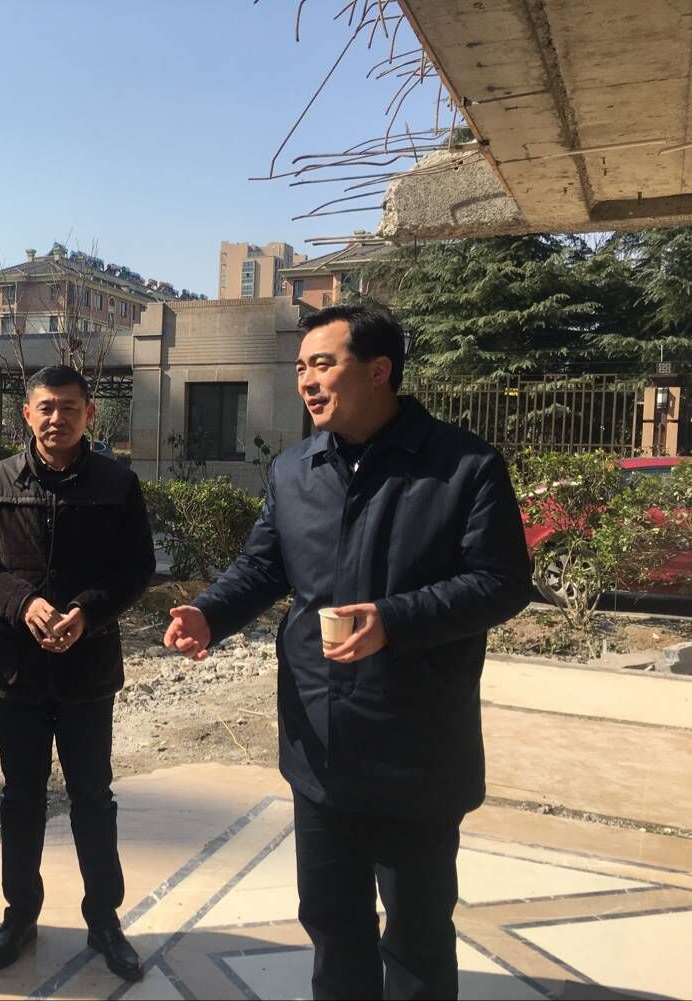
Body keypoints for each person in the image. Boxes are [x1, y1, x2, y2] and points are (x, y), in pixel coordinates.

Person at [164, 304, 533, 1000]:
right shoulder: (294, 470)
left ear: (378, 370)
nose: (306, 380)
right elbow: (263, 567)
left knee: (417, 939)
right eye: (300, 367)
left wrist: (394, 619)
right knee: (332, 926)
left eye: (322, 364)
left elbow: (502, 582)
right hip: (320, 747)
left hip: (415, 751)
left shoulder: (463, 467)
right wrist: (210, 614)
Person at [0, 365, 155, 983]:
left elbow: (137, 568)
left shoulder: (117, 484)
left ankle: (104, 919)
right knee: (21, 798)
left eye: (69, 407)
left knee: (93, 796)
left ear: (89, 414)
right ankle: (20, 915)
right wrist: (22, 603)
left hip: (88, 671)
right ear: (27, 413)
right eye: (45, 407)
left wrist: (87, 611)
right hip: (17, 671)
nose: (56, 418)